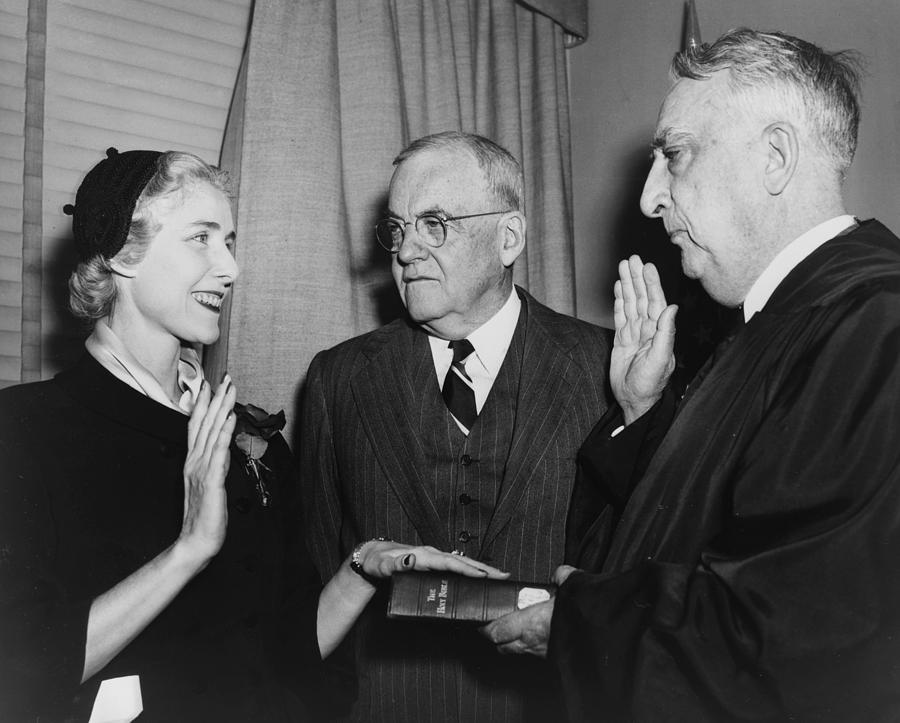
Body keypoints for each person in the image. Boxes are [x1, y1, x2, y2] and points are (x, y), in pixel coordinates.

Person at [0, 148, 506, 722]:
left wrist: (364, 568)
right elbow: (20, 671)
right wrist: (188, 550)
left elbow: (286, 650)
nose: (231, 269)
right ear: (122, 254)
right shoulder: (23, 432)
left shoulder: (250, 438)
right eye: (201, 238)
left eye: (230, 242)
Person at [484, 28, 900, 721]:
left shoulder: (874, 326)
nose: (649, 198)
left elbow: (789, 647)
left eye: (674, 155)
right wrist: (640, 413)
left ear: (775, 157)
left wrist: (578, 623)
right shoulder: (775, 320)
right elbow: (690, 542)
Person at [299, 131, 612, 722]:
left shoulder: (606, 368)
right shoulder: (338, 379)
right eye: (397, 229)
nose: (406, 250)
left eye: (434, 223)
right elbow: (317, 574)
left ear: (509, 237)